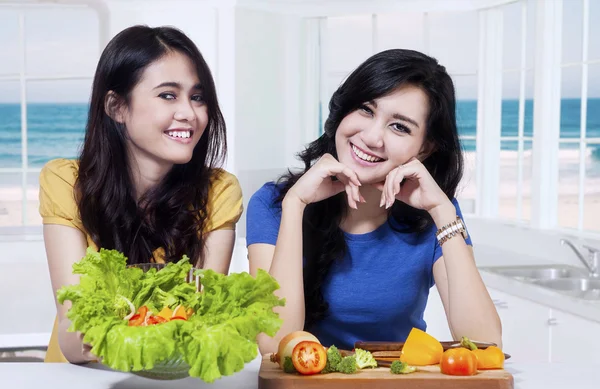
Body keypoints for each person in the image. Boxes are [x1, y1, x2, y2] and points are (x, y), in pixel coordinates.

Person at [246, 49, 502, 355]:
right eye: (366, 110)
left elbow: (486, 346)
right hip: (308, 385)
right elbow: (274, 347)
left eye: (399, 127)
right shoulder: (274, 204)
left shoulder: (434, 218)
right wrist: (295, 205)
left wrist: (442, 210)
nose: (371, 138)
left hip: (398, 384)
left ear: (424, 149)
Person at [39, 25, 243, 364]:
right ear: (117, 107)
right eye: (168, 95)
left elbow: (201, 326)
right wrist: (164, 328)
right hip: (79, 385)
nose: (189, 113)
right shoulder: (66, 183)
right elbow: (75, 339)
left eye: (197, 96)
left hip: (172, 385)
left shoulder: (218, 191)